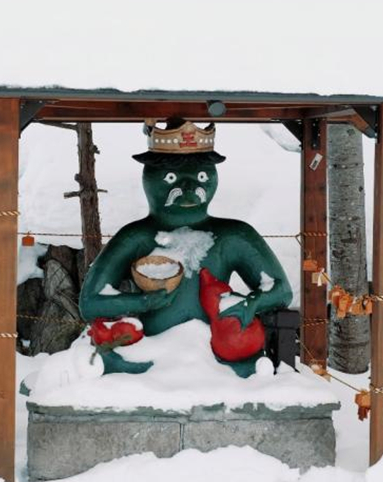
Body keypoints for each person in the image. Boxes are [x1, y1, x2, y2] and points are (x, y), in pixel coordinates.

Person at [79, 119, 292, 376]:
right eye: (171, 177)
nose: (189, 188)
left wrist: (250, 303)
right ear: (150, 179)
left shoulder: (233, 235)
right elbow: (90, 303)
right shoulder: (137, 237)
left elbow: (281, 290)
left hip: (217, 353)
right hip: (152, 353)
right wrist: (143, 302)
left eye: (202, 176)